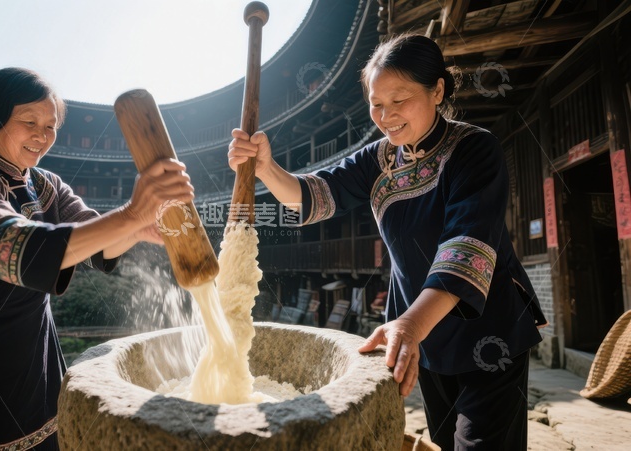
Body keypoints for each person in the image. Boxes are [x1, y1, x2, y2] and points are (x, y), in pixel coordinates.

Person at [228, 34, 547, 450]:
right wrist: (267, 167)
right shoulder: (377, 159)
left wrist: (410, 326)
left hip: (488, 331)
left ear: (437, 90)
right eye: (376, 104)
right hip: (422, 337)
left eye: (400, 100)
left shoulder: (474, 149)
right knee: (444, 441)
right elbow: (314, 196)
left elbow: (464, 249)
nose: (386, 115)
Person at [0, 67, 193, 450]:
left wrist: (138, 229)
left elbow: (98, 244)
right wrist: (131, 215)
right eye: (29, 121)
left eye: (51, 126)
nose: (42, 136)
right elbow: (7, 248)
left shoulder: (48, 185)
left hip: (32, 348)